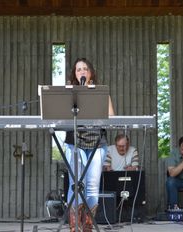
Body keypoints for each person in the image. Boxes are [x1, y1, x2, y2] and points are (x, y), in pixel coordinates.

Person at [64, 58, 115, 232]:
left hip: (97, 144)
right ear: (74, 74)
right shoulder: (68, 92)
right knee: (76, 184)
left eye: (85, 69)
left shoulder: (101, 92)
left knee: (92, 186)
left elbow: (112, 118)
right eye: (78, 70)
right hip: (74, 144)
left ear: (91, 73)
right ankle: (74, 227)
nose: (82, 72)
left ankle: (87, 227)